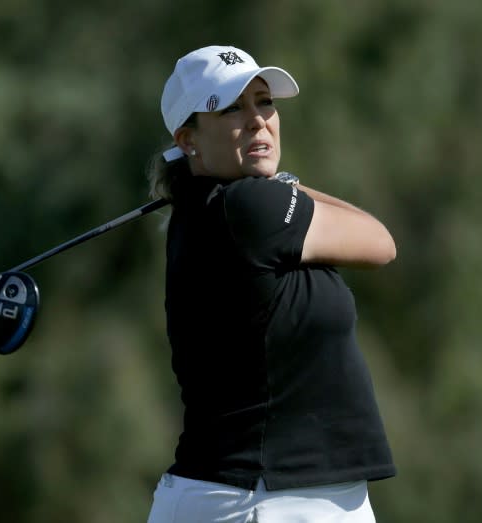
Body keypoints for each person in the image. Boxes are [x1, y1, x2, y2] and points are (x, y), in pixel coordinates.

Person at [145, 45, 397, 522]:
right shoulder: (250, 209)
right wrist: (285, 184)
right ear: (188, 138)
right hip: (263, 501)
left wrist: (280, 183)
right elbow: (381, 242)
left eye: (264, 102)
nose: (258, 120)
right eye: (233, 108)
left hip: (278, 495)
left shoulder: (211, 212)